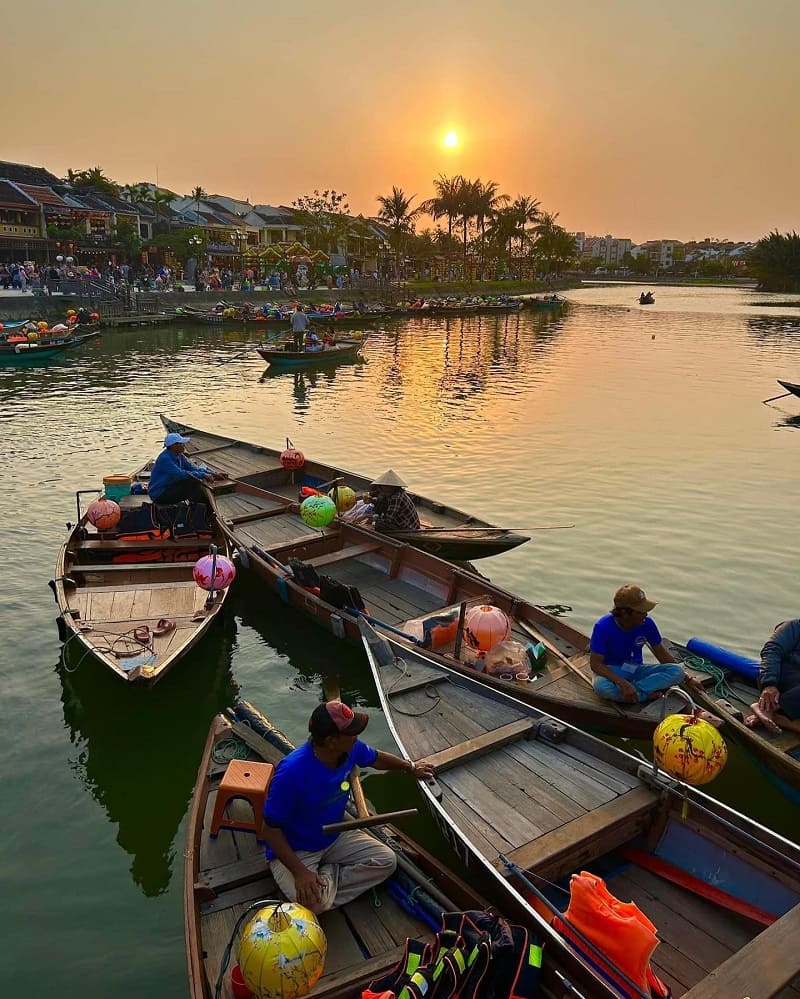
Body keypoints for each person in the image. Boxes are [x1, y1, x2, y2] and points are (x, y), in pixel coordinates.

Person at [263, 700, 434, 914]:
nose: (356, 738)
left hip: (334, 835)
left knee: (387, 861)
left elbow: (377, 759)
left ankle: (325, 877)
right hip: (297, 849)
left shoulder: (350, 750)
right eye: (351, 733)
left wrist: (410, 767)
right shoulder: (291, 773)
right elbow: (269, 830)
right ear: (331, 741)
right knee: (314, 904)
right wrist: (300, 873)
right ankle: (320, 878)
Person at [589, 585, 689, 703]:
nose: (646, 614)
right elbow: (596, 664)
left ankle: (636, 692)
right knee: (601, 687)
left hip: (635, 668)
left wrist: (687, 679)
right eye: (641, 611)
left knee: (677, 671)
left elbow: (661, 653)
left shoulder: (647, 623)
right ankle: (644, 695)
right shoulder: (602, 627)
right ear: (625, 613)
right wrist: (621, 682)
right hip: (613, 670)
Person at [747, 620, 800, 733]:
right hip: (781, 676)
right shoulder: (793, 627)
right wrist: (769, 684)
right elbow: (771, 651)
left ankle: (780, 719)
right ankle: (770, 708)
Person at [148, 432, 220, 506]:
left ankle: (202, 507)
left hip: (170, 486)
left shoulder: (180, 455)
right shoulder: (165, 459)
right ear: (174, 446)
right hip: (159, 494)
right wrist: (203, 475)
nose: (184, 445)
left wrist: (213, 473)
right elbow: (181, 474)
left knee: (195, 480)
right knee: (192, 482)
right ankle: (202, 509)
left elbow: (193, 469)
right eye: (182, 443)